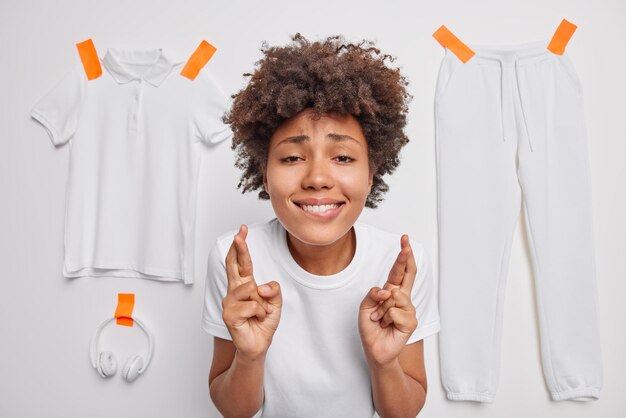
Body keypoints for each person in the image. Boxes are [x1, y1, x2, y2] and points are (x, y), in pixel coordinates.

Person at [201, 33, 440, 418]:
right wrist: (249, 355)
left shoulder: (400, 264)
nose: (317, 178)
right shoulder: (237, 259)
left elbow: (405, 411)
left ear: (371, 173)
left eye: (343, 157)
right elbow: (234, 410)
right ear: (264, 174)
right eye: (292, 157)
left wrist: (383, 361)